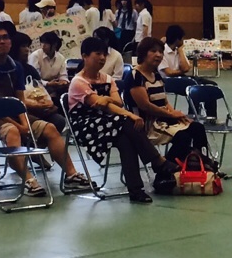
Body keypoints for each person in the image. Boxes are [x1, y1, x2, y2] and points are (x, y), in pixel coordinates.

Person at [0, 24, 92, 195]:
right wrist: (19, 127)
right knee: (12, 131)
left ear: (10, 42)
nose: (2, 41)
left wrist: (25, 122)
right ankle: (29, 181)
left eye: (5, 37)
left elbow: (20, 102)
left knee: (50, 128)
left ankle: (72, 175)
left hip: (15, 116)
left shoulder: (16, 67)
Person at [68, 36, 169, 202]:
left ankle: (135, 190)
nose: (102, 58)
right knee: (126, 121)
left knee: (125, 140)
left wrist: (105, 99)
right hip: (87, 127)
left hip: (109, 124)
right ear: (84, 56)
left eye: (104, 54)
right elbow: (104, 106)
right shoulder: (78, 82)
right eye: (97, 54)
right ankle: (157, 160)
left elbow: (117, 102)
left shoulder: (107, 78)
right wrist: (128, 113)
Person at [125, 37, 213, 169]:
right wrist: (171, 115)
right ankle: (164, 168)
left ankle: (200, 164)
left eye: (160, 52)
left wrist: (178, 116)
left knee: (197, 128)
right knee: (183, 137)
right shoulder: (135, 76)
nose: (158, 55)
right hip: (147, 125)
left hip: (164, 120)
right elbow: (146, 106)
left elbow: (165, 102)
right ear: (143, 53)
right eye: (153, 51)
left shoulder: (156, 75)